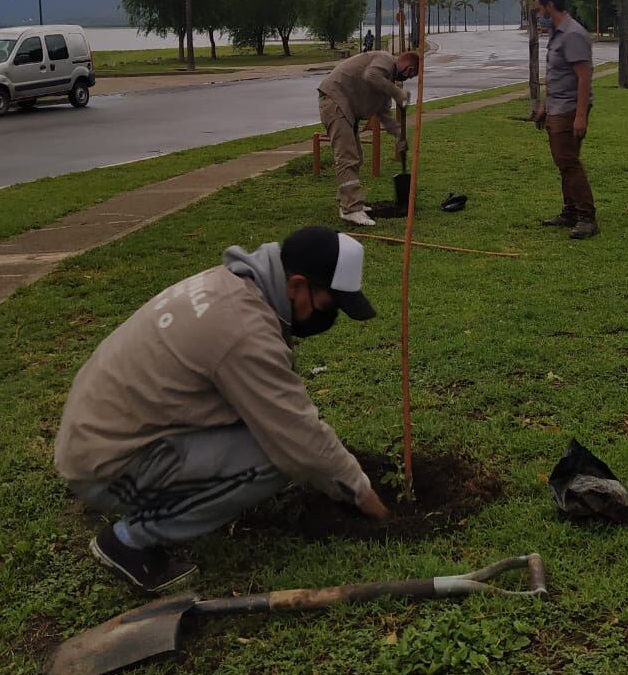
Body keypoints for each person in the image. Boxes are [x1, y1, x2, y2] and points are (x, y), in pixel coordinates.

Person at [54, 226, 389, 593]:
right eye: (326, 306)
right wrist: (364, 495)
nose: (327, 318)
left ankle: (175, 489)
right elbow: (299, 440)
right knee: (278, 454)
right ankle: (128, 541)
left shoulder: (229, 284)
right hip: (107, 466)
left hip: (97, 435)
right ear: (295, 285)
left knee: (274, 434)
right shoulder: (244, 331)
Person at [317, 48, 419, 227]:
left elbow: (385, 115)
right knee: (347, 156)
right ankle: (351, 209)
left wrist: (400, 137)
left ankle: (347, 202)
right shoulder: (385, 59)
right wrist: (397, 93)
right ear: (409, 69)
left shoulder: (385, 83)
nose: (408, 78)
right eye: (411, 75)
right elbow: (370, 75)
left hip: (345, 108)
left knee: (356, 157)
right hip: (335, 100)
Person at [532, 0, 598, 239]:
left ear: (550, 5)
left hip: (570, 109)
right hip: (558, 107)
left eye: (539, 9)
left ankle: (586, 217)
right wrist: (545, 107)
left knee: (568, 161)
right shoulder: (557, 34)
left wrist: (580, 116)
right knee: (564, 162)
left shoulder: (572, 34)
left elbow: (583, 78)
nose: (538, 15)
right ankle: (570, 211)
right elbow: (557, 77)